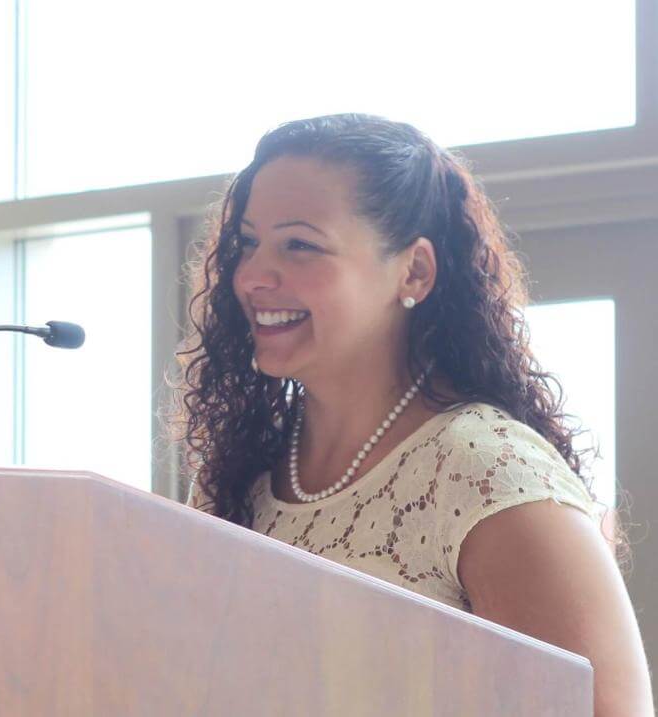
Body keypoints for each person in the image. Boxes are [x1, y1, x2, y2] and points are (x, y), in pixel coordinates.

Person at [169, 113, 654, 714]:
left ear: (415, 271)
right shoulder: (243, 477)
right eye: (248, 243)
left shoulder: (490, 475)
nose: (251, 276)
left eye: (299, 244)